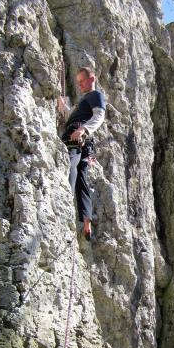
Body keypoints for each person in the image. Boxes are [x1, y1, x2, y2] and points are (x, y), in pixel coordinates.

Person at [58, 67, 106, 240]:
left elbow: (99, 116)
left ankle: (65, 197)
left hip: (77, 133)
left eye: (82, 81)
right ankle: (86, 220)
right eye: (77, 82)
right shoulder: (83, 102)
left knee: (71, 162)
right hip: (85, 141)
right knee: (82, 176)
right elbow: (70, 114)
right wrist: (64, 106)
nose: (80, 85)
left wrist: (83, 130)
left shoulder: (95, 95)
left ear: (92, 78)